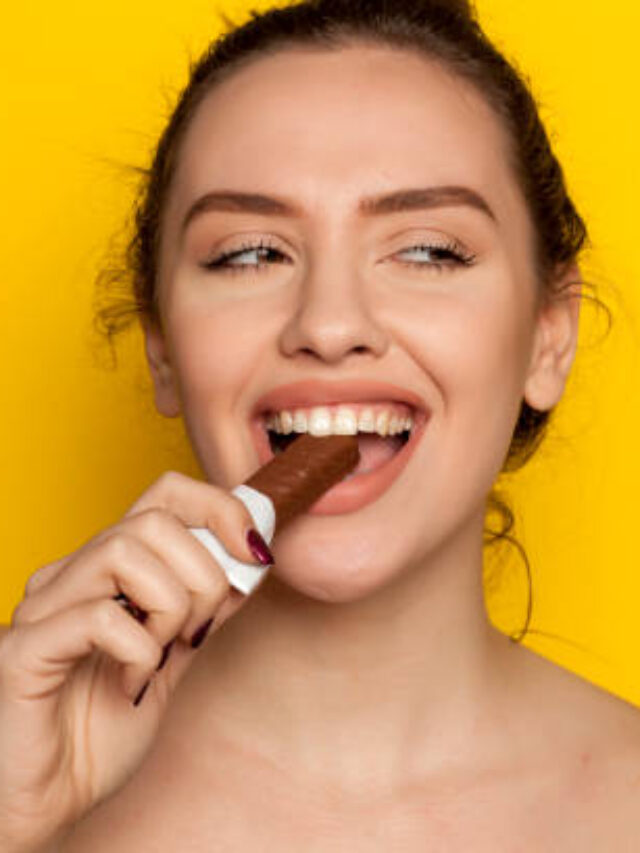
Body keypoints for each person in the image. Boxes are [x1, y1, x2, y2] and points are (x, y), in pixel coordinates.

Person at [1, 0, 638, 849]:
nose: (330, 323)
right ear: (162, 349)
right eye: (251, 252)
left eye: (428, 250)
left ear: (547, 339)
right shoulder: (30, 773)